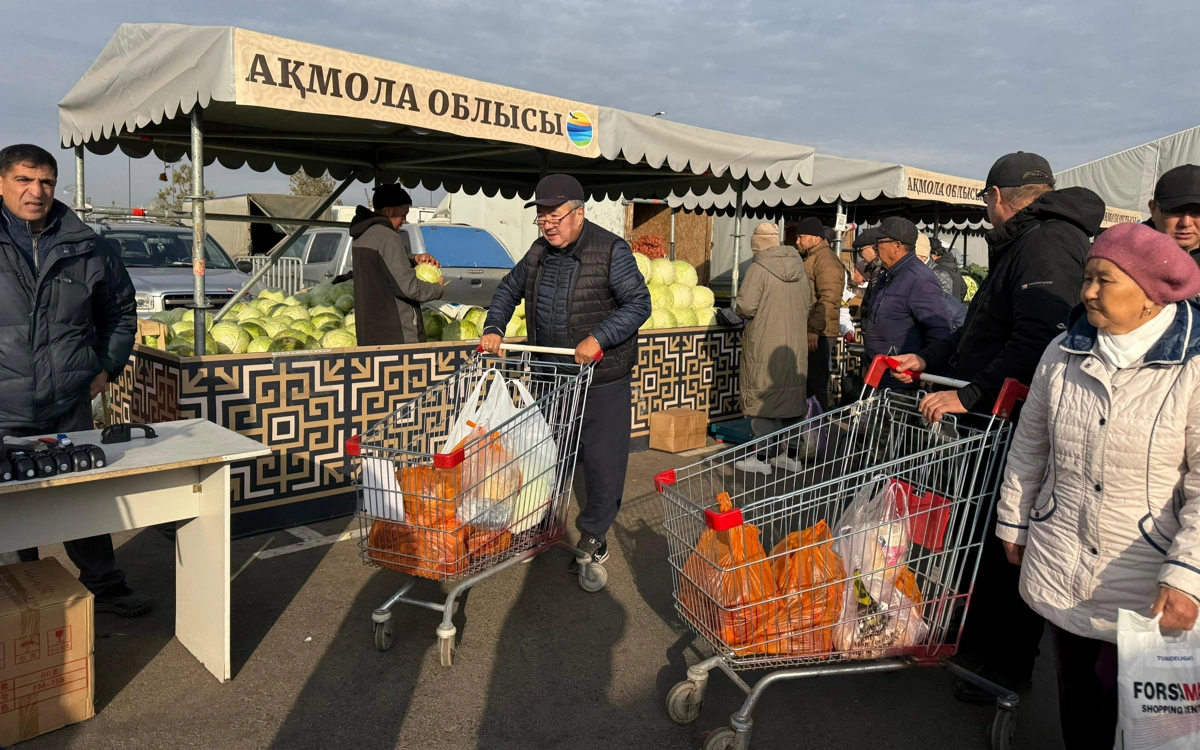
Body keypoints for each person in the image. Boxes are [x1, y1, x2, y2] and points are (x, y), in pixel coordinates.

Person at [890, 151, 1105, 703]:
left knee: (1007, 541)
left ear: (999, 196)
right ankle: (978, 644)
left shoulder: (1044, 242)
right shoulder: (1025, 243)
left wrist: (971, 393)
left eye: (987, 201)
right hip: (993, 417)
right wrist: (931, 358)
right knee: (983, 538)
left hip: (1012, 422)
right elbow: (979, 328)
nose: (986, 211)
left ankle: (1004, 666)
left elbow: (1037, 339)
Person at [996, 223, 1200, 748]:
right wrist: (1014, 520)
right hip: (1062, 553)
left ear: (1151, 297)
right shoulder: (1063, 352)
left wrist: (1185, 574)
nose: (1087, 291)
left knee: (1142, 713)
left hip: (1145, 573)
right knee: (1078, 698)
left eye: (1104, 279)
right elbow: (1030, 446)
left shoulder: (1192, 367)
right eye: (1087, 277)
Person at [0, 144, 150, 616]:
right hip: (3, 406)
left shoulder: (88, 246)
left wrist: (107, 365)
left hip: (68, 402)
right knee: (10, 511)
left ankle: (105, 587)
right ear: (2, 182)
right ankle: (22, 596)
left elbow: (121, 312)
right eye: (24, 180)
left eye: (45, 181)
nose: (36, 191)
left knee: (82, 499)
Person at [481, 175, 650, 573]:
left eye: (554, 215)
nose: (547, 223)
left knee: (601, 462)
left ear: (578, 213)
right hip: (551, 379)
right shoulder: (538, 252)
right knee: (545, 454)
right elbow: (508, 290)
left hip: (600, 379)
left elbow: (638, 304)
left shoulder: (610, 250)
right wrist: (494, 326)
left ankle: (594, 533)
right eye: (541, 216)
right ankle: (541, 520)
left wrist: (599, 337)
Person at [731, 223, 813, 475]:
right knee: (792, 399)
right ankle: (791, 456)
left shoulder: (758, 268)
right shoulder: (799, 266)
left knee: (763, 398)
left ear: (757, 247)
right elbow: (809, 302)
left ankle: (763, 458)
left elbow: (745, 307)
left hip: (765, 343)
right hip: (794, 344)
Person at [349, 184, 444, 345]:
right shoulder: (389, 238)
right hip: (396, 335)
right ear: (388, 212)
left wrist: (415, 259)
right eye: (403, 214)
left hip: (370, 333)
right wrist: (437, 289)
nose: (404, 221)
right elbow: (409, 287)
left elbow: (383, 266)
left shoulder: (362, 235)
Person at [861, 217, 952, 384]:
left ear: (897, 246)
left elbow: (940, 331)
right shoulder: (886, 275)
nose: (875, 247)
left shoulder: (919, 279)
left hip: (901, 381)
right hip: (878, 374)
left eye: (879, 242)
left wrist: (925, 364)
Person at [794, 217, 843, 410]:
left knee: (815, 384)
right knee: (808, 382)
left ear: (815, 238)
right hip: (812, 329)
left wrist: (814, 329)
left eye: (801, 237)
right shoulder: (812, 258)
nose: (797, 241)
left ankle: (818, 431)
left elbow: (829, 299)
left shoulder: (826, 261)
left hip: (820, 333)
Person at [1147, 164, 1200, 267]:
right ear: (1153, 209)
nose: (1186, 223)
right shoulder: (1121, 257)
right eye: (1174, 210)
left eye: (1198, 211)